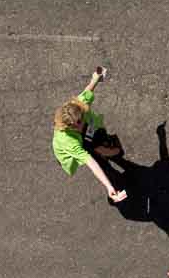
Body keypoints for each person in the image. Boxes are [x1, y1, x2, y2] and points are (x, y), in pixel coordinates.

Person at [53, 67, 128, 203]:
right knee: (98, 156)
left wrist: (96, 78)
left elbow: (87, 92)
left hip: (86, 137)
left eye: (80, 120)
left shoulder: (78, 106)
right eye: (74, 125)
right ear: (66, 126)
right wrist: (108, 186)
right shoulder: (66, 140)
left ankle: (108, 154)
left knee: (99, 146)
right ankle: (109, 158)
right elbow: (90, 163)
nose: (80, 125)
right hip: (76, 146)